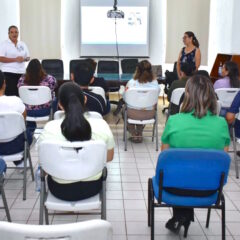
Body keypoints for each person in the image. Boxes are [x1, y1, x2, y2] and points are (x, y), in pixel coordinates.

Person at [161, 75, 230, 236]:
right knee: (198, 172)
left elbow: (165, 159)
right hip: (209, 190)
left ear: (187, 95)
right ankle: (184, 215)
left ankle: (181, 214)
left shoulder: (174, 121)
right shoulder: (221, 124)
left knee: (180, 172)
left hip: (173, 189)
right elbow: (222, 163)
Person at [38, 82, 115, 201]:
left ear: (60, 105)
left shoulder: (49, 129)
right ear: (84, 100)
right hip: (92, 187)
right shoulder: (101, 125)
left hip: (60, 189)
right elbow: (109, 157)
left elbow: (44, 163)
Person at [0, 70, 32, 166]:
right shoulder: (15, 101)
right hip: (15, 146)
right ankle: (20, 162)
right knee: (27, 132)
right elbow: (23, 122)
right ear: (4, 83)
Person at [123, 60, 159, 143]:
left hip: (132, 114)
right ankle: (139, 133)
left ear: (137, 70)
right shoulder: (155, 83)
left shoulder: (131, 83)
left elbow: (125, 98)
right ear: (151, 71)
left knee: (124, 110)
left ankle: (134, 134)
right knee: (143, 106)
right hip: (149, 114)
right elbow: (155, 99)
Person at [0, 26, 30, 96]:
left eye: (16, 32)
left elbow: (28, 57)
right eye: (12, 32)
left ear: (18, 33)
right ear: (9, 34)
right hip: (8, 73)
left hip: (21, 73)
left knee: (21, 94)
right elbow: (1, 58)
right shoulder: (4, 44)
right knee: (11, 94)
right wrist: (15, 59)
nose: (14, 34)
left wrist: (24, 59)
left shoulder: (22, 44)